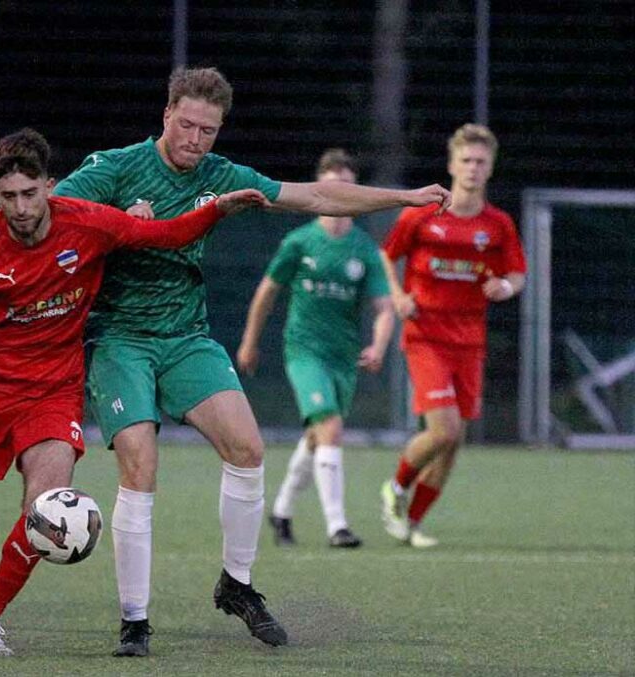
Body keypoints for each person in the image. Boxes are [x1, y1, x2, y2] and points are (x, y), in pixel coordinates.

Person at [52, 66, 451, 656]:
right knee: (139, 460)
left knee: (248, 448)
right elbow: (48, 212)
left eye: (207, 130)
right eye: (185, 125)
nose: (194, 139)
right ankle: (134, 620)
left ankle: (236, 585)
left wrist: (405, 198)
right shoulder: (113, 168)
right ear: (165, 116)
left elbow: (315, 194)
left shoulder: (221, 175)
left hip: (186, 336)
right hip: (121, 339)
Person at [0, 128, 268, 656]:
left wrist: (215, 209)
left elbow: (167, 236)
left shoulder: (88, 223)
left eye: (30, 194)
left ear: (49, 187)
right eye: (8, 196)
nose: (21, 207)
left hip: (54, 392)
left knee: (46, 511)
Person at [237, 149, 394, 549]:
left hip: (344, 357)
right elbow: (267, 293)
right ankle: (337, 526)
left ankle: (282, 511)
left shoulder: (364, 249)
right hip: (304, 351)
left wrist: (378, 345)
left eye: (348, 187)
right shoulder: (300, 242)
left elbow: (383, 308)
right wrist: (250, 342)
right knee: (330, 428)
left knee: (316, 436)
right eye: (332, 187)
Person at [379, 123, 527, 547]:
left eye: (481, 162)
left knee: (454, 442)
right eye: (466, 160)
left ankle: (411, 523)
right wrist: (397, 295)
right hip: (425, 335)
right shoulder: (422, 215)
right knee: (443, 430)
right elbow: (386, 255)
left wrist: (505, 288)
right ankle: (395, 487)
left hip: (470, 341)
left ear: (490, 168)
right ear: (451, 165)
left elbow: (517, 273)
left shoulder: (497, 224)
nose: (473, 168)